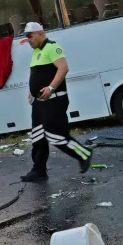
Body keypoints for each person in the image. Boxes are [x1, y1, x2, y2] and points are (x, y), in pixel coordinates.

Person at [21, 22, 92, 182]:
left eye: (30, 36)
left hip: (54, 100)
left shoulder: (52, 47)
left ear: (40, 33)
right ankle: (39, 170)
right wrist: (31, 91)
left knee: (56, 135)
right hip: (39, 102)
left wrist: (51, 88)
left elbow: (63, 68)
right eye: (26, 37)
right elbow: (36, 75)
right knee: (38, 135)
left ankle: (83, 154)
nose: (28, 40)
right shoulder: (36, 52)